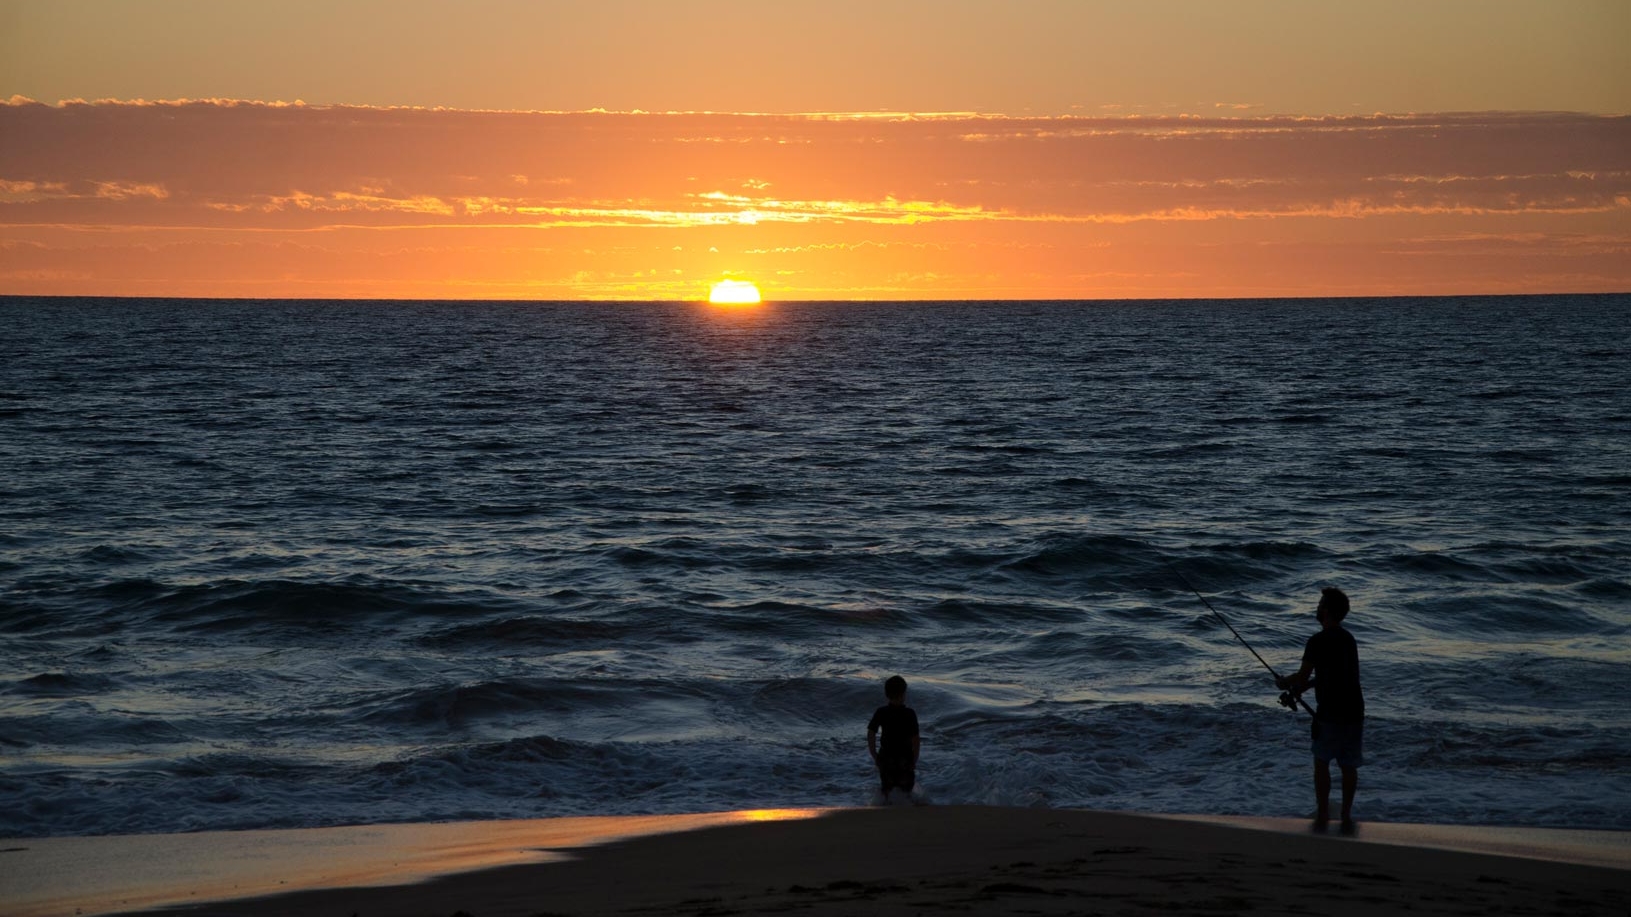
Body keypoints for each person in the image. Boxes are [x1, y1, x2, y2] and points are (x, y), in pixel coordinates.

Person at [1277, 587, 1365, 833]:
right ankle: (1346, 816)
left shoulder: (1317, 641)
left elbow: (1302, 676)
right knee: (1348, 765)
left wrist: (1286, 683)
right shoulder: (1348, 639)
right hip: (1354, 709)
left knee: (1322, 762)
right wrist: (1303, 688)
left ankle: (1324, 814)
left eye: (1320, 604)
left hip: (1330, 712)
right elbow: (1337, 675)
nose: (1317, 607)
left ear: (1326, 610)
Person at [867, 675, 920, 803]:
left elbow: (871, 732)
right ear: (903, 694)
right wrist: (915, 758)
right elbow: (916, 739)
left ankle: (885, 808)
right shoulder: (909, 714)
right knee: (906, 788)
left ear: (886, 694)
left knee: (887, 787)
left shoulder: (881, 712)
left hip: (886, 757)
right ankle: (906, 809)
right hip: (905, 757)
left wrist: (874, 753)